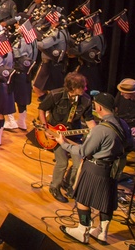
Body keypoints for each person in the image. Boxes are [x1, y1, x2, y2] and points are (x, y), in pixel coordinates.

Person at [58, 92, 131, 244]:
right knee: (106, 202)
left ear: (98, 107)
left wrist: (63, 143)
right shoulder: (123, 124)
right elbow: (129, 145)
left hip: (95, 169)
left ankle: (82, 230)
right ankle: (102, 232)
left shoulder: (101, 129)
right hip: (113, 170)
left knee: (83, 199)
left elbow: (83, 151)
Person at [38, 72, 97, 203]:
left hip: (73, 135)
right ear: (72, 88)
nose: (85, 89)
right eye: (82, 87)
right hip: (55, 134)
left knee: (79, 163)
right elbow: (41, 109)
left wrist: (97, 132)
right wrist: (45, 127)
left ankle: (70, 185)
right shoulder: (55, 95)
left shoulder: (86, 100)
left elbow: (89, 120)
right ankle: (55, 187)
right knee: (62, 162)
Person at [8, 18, 39, 132]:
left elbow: (17, 54)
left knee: (11, 94)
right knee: (23, 97)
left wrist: (10, 47)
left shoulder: (25, 40)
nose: (16, 26)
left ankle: (12, 121)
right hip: (27, 71)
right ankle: (21, 121)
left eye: (18, 24)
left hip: (20, 70)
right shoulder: (32, 37)